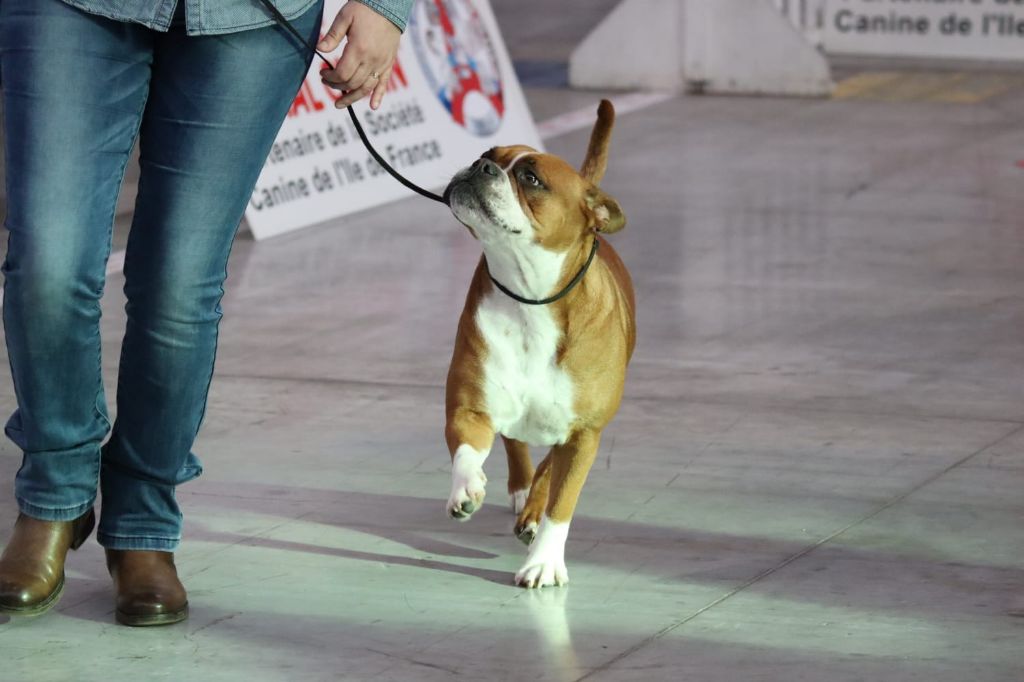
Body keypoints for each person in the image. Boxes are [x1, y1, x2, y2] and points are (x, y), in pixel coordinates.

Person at [0, 0, 414, 627]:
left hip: (250, 19)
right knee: (47, 260)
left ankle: (143, 519)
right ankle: (55, 496)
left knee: (179, 283)